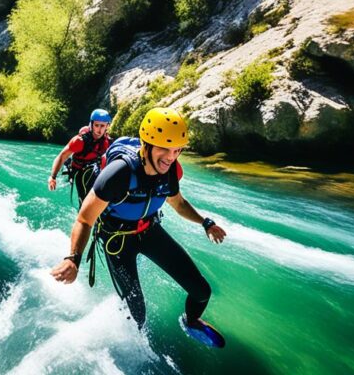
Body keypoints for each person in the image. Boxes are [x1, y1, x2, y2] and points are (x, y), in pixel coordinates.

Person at [50, 107, 229, 348]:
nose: (170, 156)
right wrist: (73, 258)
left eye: (177, 150)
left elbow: (178, 203)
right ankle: (134, 346)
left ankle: (191, 321)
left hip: (149, 231)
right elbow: (84, 219)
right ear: (147, 144)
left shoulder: (170, 170)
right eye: (164, 148)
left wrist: (205, 222)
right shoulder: (119, 172)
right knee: (138, 313)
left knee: (201, 291)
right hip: (118, 241)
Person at [47, 109, 112, 205]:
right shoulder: (79, 141)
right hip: (78, 171)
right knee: (84, 198)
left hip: (93, 168)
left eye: (102, 126)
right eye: (96, 125)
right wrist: (53, 177)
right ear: (91, 124)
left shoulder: (107, 142)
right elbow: (62, 156)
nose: (99, 129)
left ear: (107, 126)